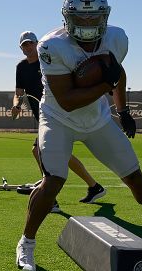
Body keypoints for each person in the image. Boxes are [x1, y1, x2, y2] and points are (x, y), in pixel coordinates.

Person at [15, 0, 142, 271]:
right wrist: (106, 85)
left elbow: (117, 70)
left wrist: (123, 110)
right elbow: (66, 100)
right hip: (58, 118)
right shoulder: (52, 46)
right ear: (67, 18)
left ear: (105, 16)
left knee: (135, 177)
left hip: (98, 119)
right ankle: (26, 243)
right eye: (82, 19)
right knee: (53, 180)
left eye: (94, 18)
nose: (89, 24)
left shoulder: (117, 38)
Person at [11, 30, 107, 210]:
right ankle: (94, 186)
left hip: (57, 112)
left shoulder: (47, 61)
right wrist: (16, 105)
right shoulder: (21, 67)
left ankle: (50, 198)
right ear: (21, 48)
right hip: (43, 116)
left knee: (38, 150)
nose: (28, 47)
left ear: (37, 44)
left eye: (31, 43)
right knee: (59, 154)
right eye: (25, 45)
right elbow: (18, 94)